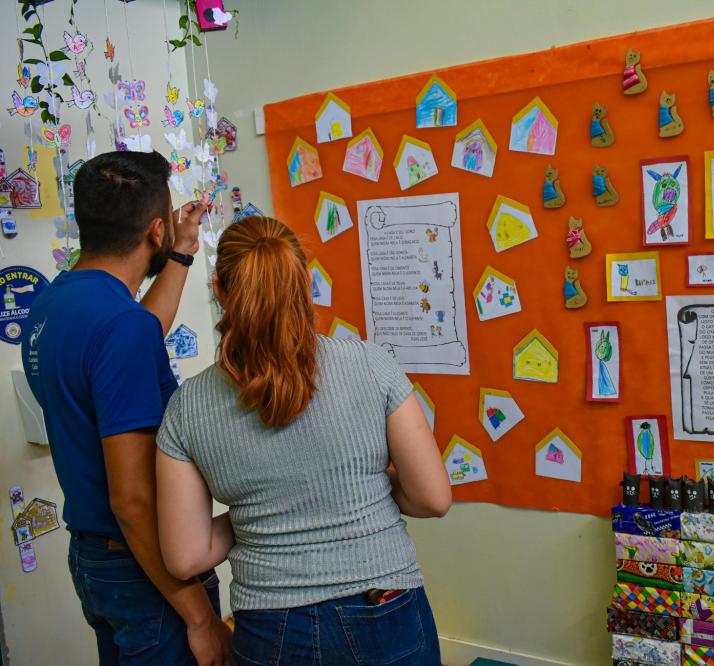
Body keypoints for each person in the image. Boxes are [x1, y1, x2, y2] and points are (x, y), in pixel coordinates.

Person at [155, 216, 451, 666]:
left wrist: (261, 515)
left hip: (270, 624)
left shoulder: (187, 407)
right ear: (307, 282)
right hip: (383, 602)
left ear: (219, 290)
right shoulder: (371, 366)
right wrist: (364, 487)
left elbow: (186, 555)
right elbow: (433, 498)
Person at [21, 151, 230, 665]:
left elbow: (137, 333)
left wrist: (182, 252)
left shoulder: (55, 302)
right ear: (154, 230)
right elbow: (132, 500)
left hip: (95, 561)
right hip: (147, 571)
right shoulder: (121, 329)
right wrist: (200, 618)